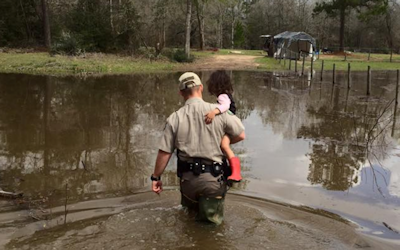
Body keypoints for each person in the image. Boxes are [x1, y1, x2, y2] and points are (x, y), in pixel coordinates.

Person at [151, 72, 245, 225]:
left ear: (181, 93)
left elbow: (165, 152)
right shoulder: (219, 111)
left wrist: (156, 177)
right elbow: (240, 135)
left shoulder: (174, 118)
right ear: (201, 88)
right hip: (213, 181)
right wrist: (223, 144)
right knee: (211, 228)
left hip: (188, 181)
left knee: (188, 221)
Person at [204, 70, 242, 182]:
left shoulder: (223, 96)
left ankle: (236, 173)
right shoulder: (227, 94)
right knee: (222, 146)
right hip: (230, 125)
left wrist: (214, 112)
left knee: (225, 146)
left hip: (230, 127)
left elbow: (225, 106)